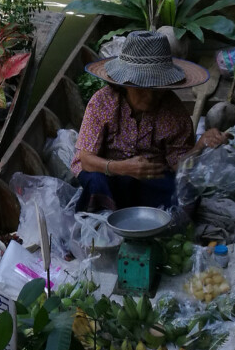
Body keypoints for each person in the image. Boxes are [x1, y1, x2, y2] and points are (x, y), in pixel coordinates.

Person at [71, 30, 227, 213]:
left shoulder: (174, 111)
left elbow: (178, 165)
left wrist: (200, 146)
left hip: (149, 176)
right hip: (105, 170)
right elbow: (87, 160)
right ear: (125, 84)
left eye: (158, 87)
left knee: (185, 196)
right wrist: (122, 168)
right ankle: (104, 225)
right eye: (143, 87)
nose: (151, 95)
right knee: (96, 182)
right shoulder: (102, 102)